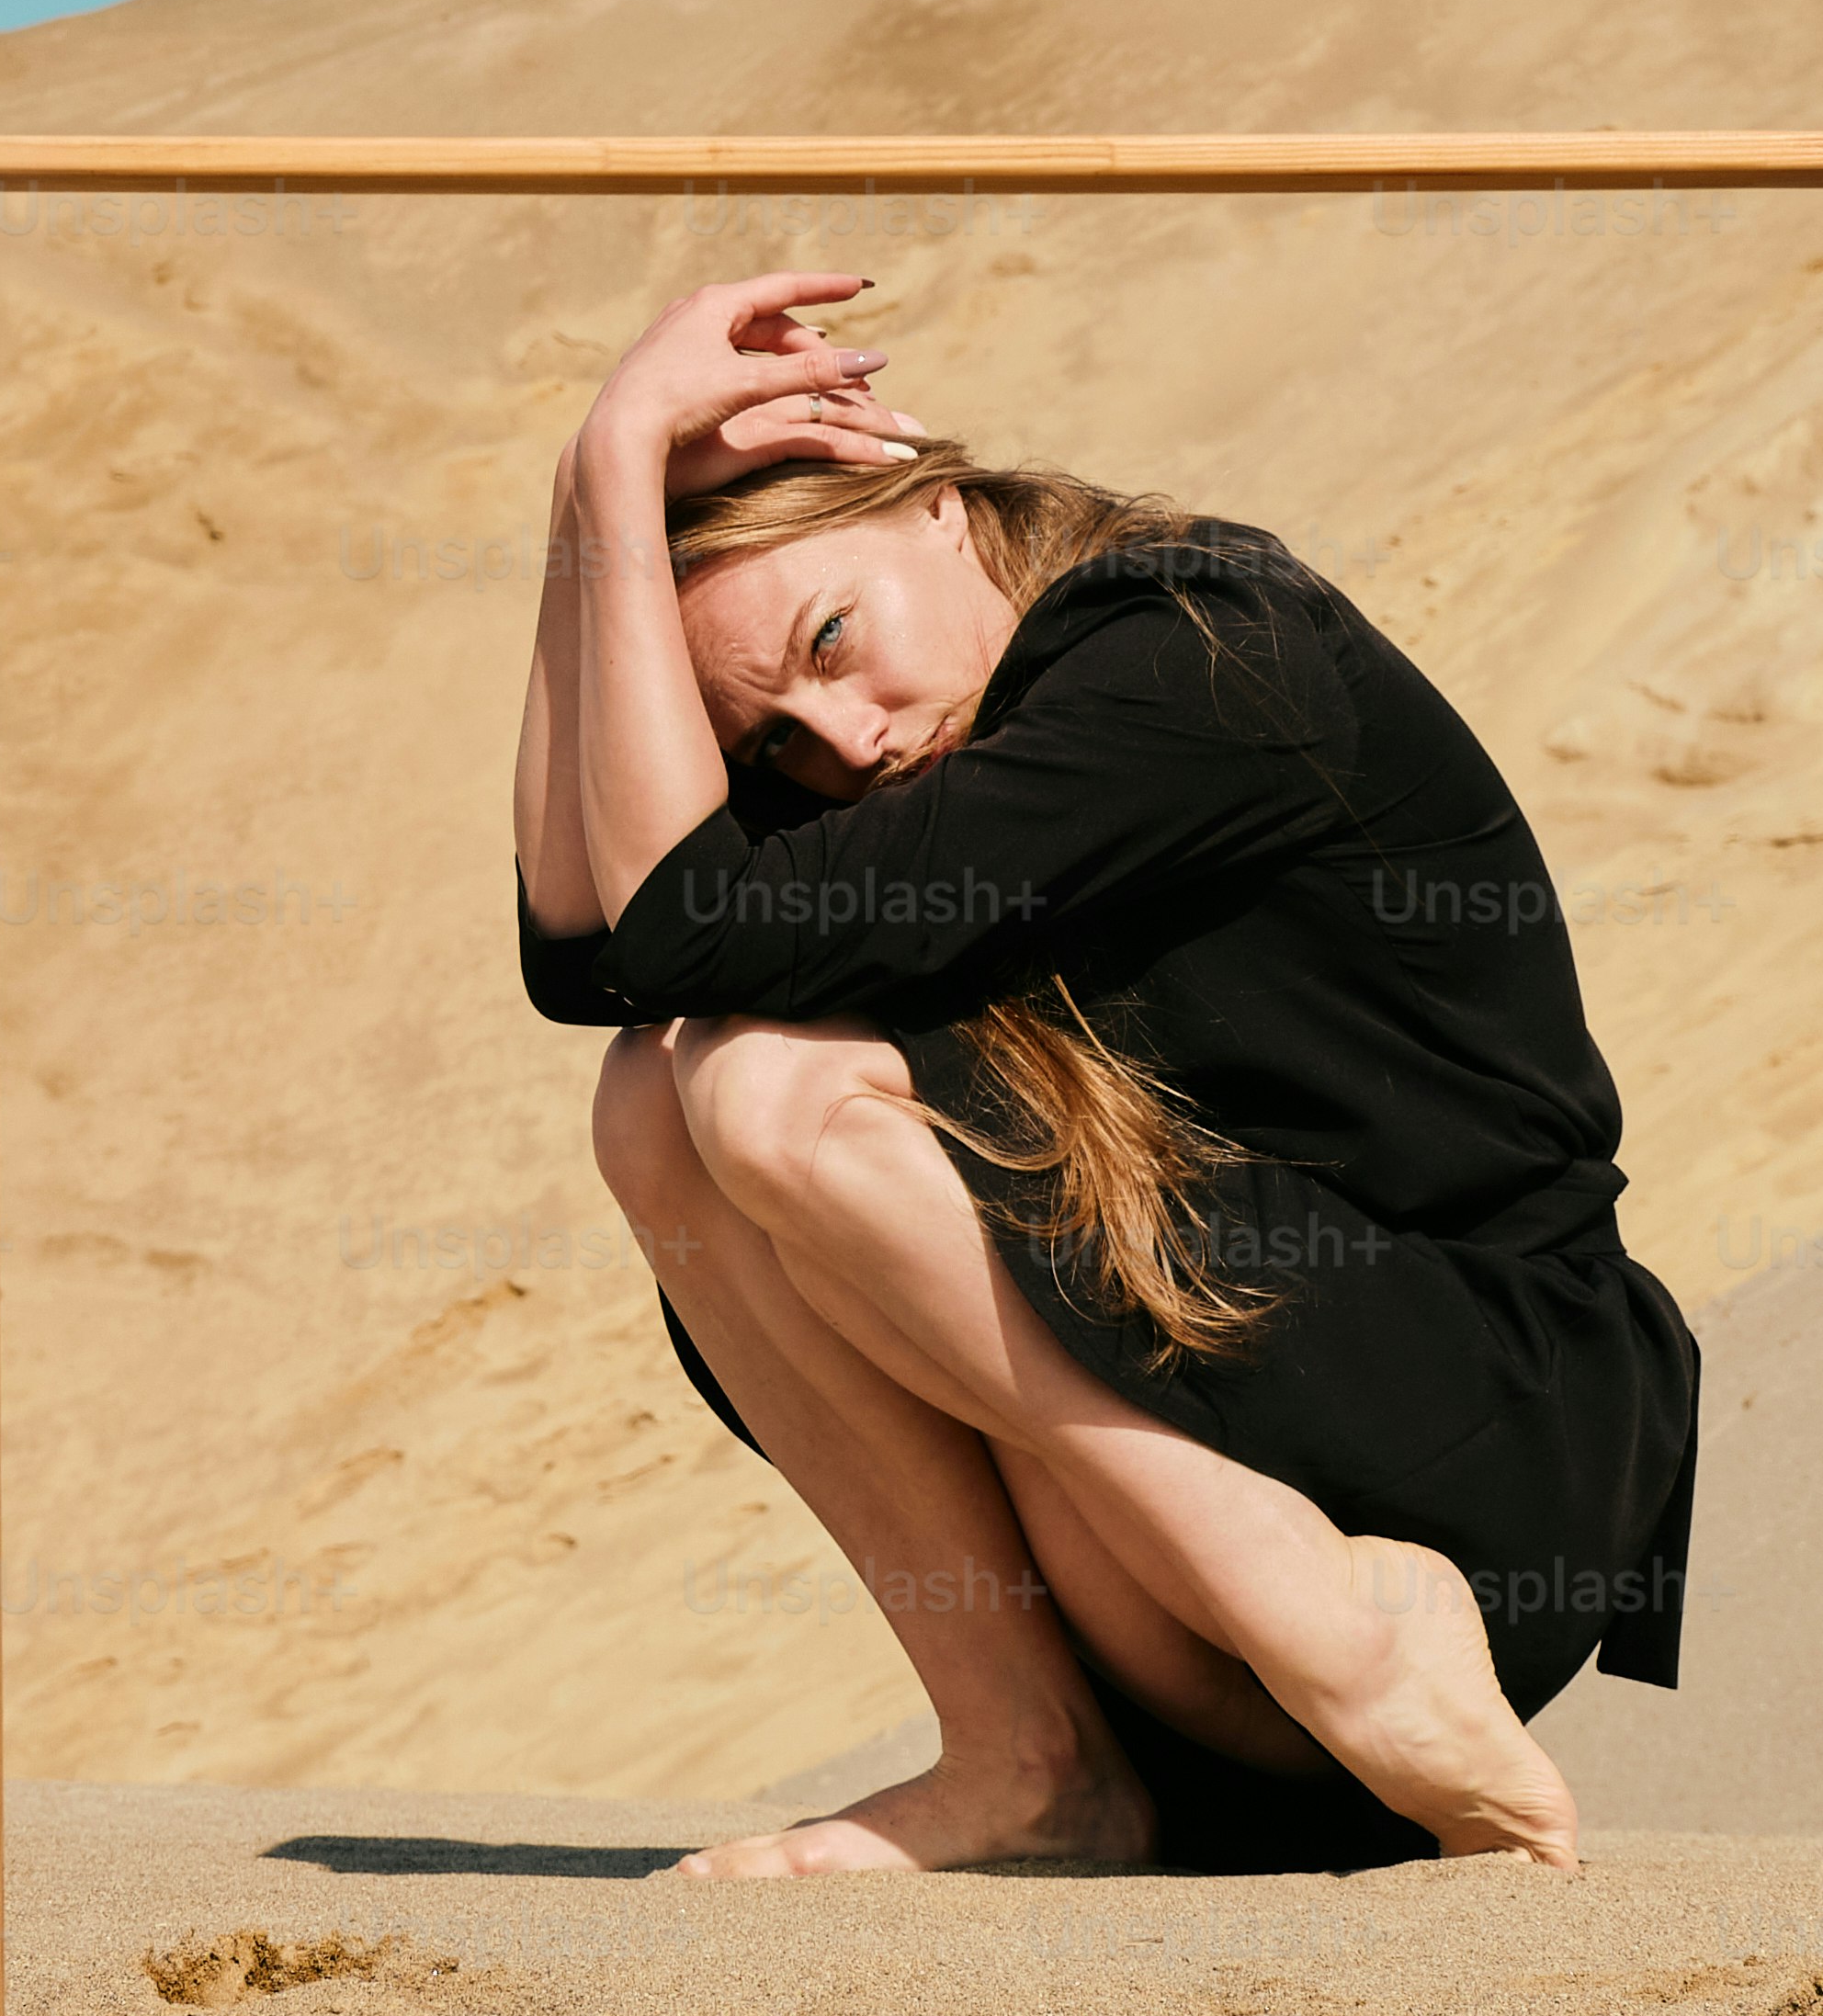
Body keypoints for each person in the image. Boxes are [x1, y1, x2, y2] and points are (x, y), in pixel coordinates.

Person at [510, 265, 1701, 1881]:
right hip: (1197, 1616)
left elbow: (677, 921)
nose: (843, 742)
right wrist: (599, 504)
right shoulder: (925, 760)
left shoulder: (1200, 649)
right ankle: (1029, 1764)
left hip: (1473, 1462)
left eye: (832, 640)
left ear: (930, 499)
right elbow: (588, 949)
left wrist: (623, 466)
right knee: (653, 1096)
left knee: (760, 1088)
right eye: (773, 740)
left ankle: (1326, 1622)